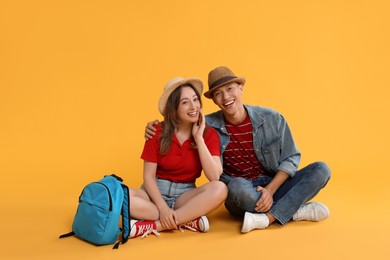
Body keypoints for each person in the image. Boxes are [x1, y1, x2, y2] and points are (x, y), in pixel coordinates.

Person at [145, 66, 331, 233]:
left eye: (230, 89)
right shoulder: (205, 125)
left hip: (274, 185)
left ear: (240, 88)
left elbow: (291, 158)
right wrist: (153, 126)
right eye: (218, 93)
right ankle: (294, 208)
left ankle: (269, 218)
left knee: (321, 169)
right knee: (236, 187)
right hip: (242, 192)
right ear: (214, 101)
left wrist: (271, 190)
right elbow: (179, 123)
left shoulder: (272, 118)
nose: (226, 97)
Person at [129, 77, 228, 239]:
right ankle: (187, 219)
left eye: (195, 100)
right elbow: (148, 177)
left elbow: (214, 176)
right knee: (121, 196)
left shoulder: (209, 134)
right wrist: (163, 208)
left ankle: (156, 225)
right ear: (173, 108)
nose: (193, 106)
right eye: (185, 102)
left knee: (220, 188)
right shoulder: (156, 131)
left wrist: (199, 138)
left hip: (184, 196)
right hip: (153, 196)